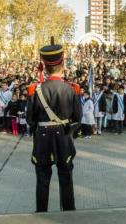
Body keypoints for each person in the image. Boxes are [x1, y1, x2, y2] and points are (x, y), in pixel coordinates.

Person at [27, 40, 82, 213]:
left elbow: (30, 119)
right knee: (65, 176)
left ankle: (41, 213)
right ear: (62, 64)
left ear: (44, 65)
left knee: (42, 177)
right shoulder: (71, 89)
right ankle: (69, 212)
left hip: (43, 137)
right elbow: (78, 118)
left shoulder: (35, 89)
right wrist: (69, 131)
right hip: (63, 137)